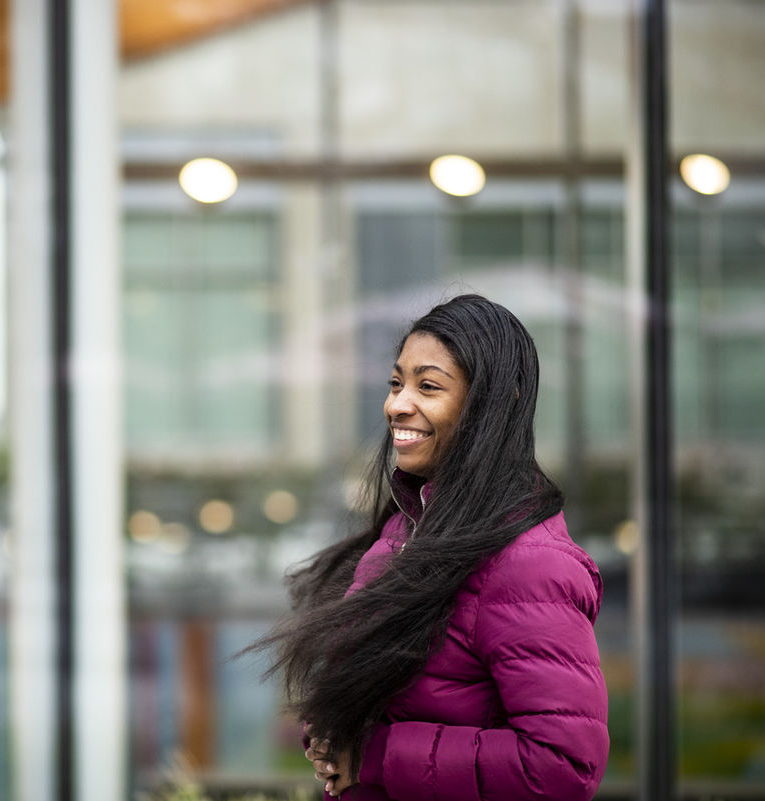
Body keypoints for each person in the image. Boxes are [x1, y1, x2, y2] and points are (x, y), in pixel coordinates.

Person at [253, 294, 608, 800]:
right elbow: (364, 682)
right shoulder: (405, 527)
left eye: (428, 386)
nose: (396, 404)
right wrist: (329, 730)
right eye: (397, 383)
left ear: (495, 402)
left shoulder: (531, 564)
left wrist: (371, 756)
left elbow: (563, 765)